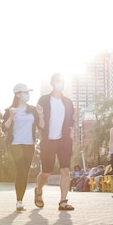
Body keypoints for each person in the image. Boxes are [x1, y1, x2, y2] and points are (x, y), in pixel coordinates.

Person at [34, 73, 75, 210]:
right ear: (52, 83)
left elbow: (71, 123)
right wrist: (41, 137)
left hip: (64, 140)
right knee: (47, 172)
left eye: (62, 81)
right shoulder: (44, 100)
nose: (60, 83)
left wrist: (71, 137)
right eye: (57, 81)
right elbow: (39, 124)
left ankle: (63, 201)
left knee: (65, 170)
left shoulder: (68, 102)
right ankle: (38, 190)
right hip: (48, 141)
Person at [1, 83, 43, 211]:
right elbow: (4, 128)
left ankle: (21, 200)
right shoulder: (10, 110)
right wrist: (11, 116)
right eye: (25, 92)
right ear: (18, 94)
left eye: (28, 92)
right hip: (15, 145)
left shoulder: (33, 110)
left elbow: (41, 126)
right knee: (21, 171)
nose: (27, 95)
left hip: (29, 145)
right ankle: (19, 202)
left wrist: (41, 114)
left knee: (25, 173)